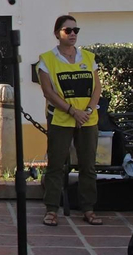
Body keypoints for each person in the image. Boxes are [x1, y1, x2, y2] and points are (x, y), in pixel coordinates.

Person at [38, 14, 104, 226]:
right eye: (68, 30)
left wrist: (88, 110)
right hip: (61, 120)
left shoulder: (88, 57)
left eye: (76, 30)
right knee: (56, 166)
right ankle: (51, 209)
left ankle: (88, 209)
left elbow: (97, 87)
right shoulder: (47, 60)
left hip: (88, 120)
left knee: (88, 166)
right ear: (58, 33)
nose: (73, 34)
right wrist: (72, 111)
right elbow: (49, 92)